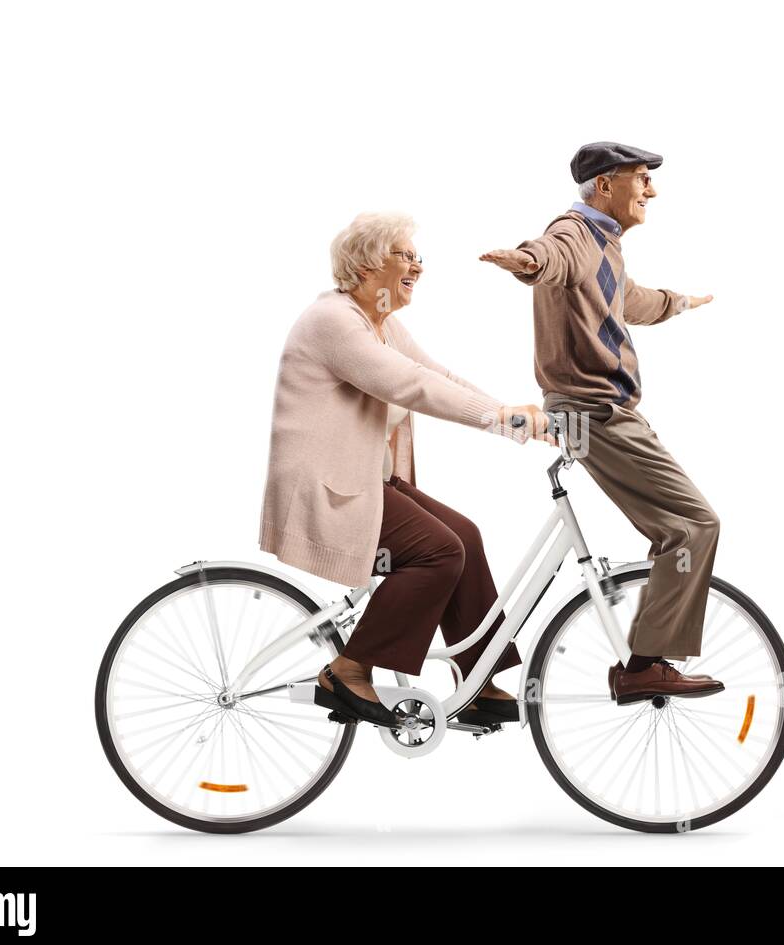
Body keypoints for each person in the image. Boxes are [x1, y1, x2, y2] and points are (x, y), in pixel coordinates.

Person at [260, 212, 553, 725]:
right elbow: (407, 386)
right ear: (369, 263)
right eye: (407, 255)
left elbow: (436, 375)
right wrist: (503, 421)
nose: (418, 266)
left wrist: (518, 416)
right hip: (324, 488)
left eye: (419, 257)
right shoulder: (334, 320)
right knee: (438, 550)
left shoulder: (384, 324)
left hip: (365, 482)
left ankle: (477, 680)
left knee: (465, 533)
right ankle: (348, 670)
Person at [480, 142, 725, 705]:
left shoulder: (605, 244)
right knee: (693, 525)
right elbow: (553, 257)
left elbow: (626, 300)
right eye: (641, 179)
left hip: (601, 411)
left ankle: (641, 657)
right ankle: (645, 664)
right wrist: (526, 261)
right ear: (605, 185)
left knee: (687, 526)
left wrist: (679, 302)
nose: (652, 191)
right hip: (596, 413)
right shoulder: (574, 233)